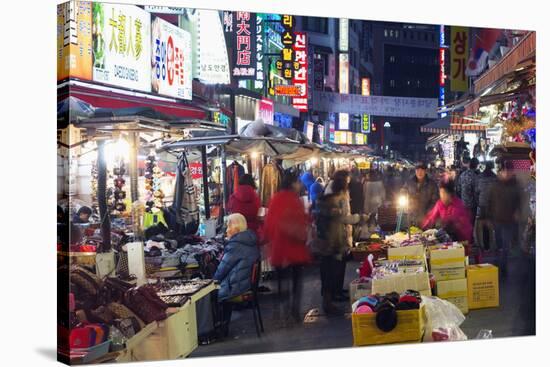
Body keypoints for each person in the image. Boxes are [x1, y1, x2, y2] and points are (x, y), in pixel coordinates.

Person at [263, 171, 311, 322]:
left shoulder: (275, 199)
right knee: (296, 282)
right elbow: (299, 222)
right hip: (294, 249)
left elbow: (269, 223)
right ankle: (294, 311)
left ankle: (282, 312)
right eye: (297, 182)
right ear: (292, 183)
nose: (299, 185)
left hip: (279, 249)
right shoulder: (294, 200)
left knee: (282, 282)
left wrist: (269, 241)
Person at [314, 170, 363, 314]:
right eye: (347, 180)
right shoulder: (338, 198)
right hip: (333, 239)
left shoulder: (330, 196)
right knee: (331, 271)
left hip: (329, 239)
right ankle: (329, 303)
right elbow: (343, 218)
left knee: (329, 271)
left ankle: (331, 297)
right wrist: (360, 218)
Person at [214, 213, 260, 333]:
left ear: (235, 228)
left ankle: (216, 329)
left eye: (228, 227)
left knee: (208, 293)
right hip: (245, 283)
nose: (226, 230)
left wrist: (210, 282)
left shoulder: (235, 246)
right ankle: (223, 326)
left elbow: (221, 271)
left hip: (237, 286)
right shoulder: (249, 240)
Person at [487, 161, 522, 276]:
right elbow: (489, 201)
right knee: (498, 244)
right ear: (501, 171)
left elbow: (519, 201)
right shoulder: (495, 185)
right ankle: (498, 264)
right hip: (497, 219)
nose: (507, 173)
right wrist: (489, 217)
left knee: (505, 246)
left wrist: (517, 212)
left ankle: (503, 268)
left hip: (509, 221)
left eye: (509, 171)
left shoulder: (515, 185)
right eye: (505, 171)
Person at [422, 180, 473, 244]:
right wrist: (422, 230)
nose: (441, 195)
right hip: (448, 238)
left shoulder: (458, 206)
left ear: (450, 194)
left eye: (443, 193)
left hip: (461, 240)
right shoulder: (440, 203)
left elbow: (464, 228)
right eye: (440, 192)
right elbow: (431, 217)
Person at [403, 162, 439, 226]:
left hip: (427, 219)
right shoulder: (409, 182)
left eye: (422, 170)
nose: (419, 173)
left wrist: (428, 213)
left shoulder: (432, 184)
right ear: (415, 171)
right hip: (412, 217)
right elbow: (404, 190)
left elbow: (435, 201)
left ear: (425, 171)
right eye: (417, 170)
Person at [474, 161, 497, 251]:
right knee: (492, 226)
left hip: (482, 206)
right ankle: (493, 246)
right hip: (492, 206)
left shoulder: (479, 178)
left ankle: (483, 246)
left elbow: (476, 192)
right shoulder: (495, 178)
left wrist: (478, 202)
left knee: (482, 227)